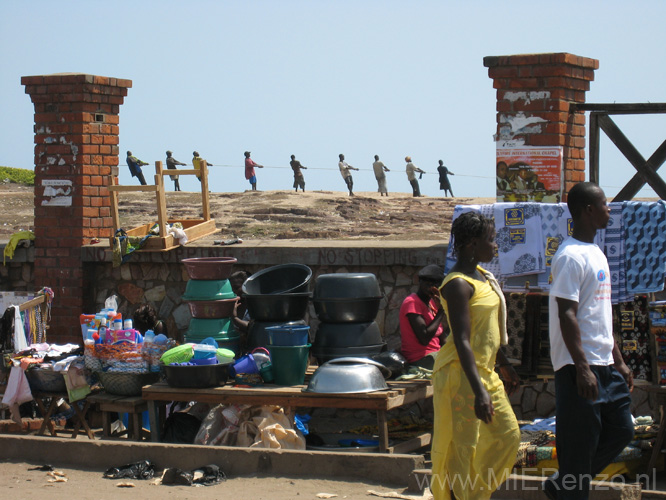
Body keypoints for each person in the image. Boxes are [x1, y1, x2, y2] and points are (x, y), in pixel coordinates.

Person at [544, 182, 634, 500]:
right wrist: (582, 367)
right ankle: (571, 484)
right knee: (578, 450)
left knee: (623, 429)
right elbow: (566, 314)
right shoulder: (569, 257)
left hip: (605, 363)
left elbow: (600, 314)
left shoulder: (596, 252)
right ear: (588, 211)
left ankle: (566, 483)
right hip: (578, 367)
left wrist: (619, 360)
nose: (609, 209)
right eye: (605, 204)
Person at [431, 211, 521, 500]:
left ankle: (474, 496)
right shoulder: (457, 284)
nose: (495, 246)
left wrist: (503, 365)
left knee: (508, 436)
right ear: (472, 244)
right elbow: (462, 340)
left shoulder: (482, 276)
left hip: (485, 371)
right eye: (490, 240)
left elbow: (490, 331)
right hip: (462, 375)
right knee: (463, 447)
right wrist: (478, 390)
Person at [399, 264, 446, 370]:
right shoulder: (412, 303)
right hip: (421, 358)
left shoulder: (432, 302)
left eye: (434, 284)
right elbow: (424, 338)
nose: (431, 287)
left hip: (435, 354)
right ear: (420, 282)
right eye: (427, 283)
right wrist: (441, 311)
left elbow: (442, 337)